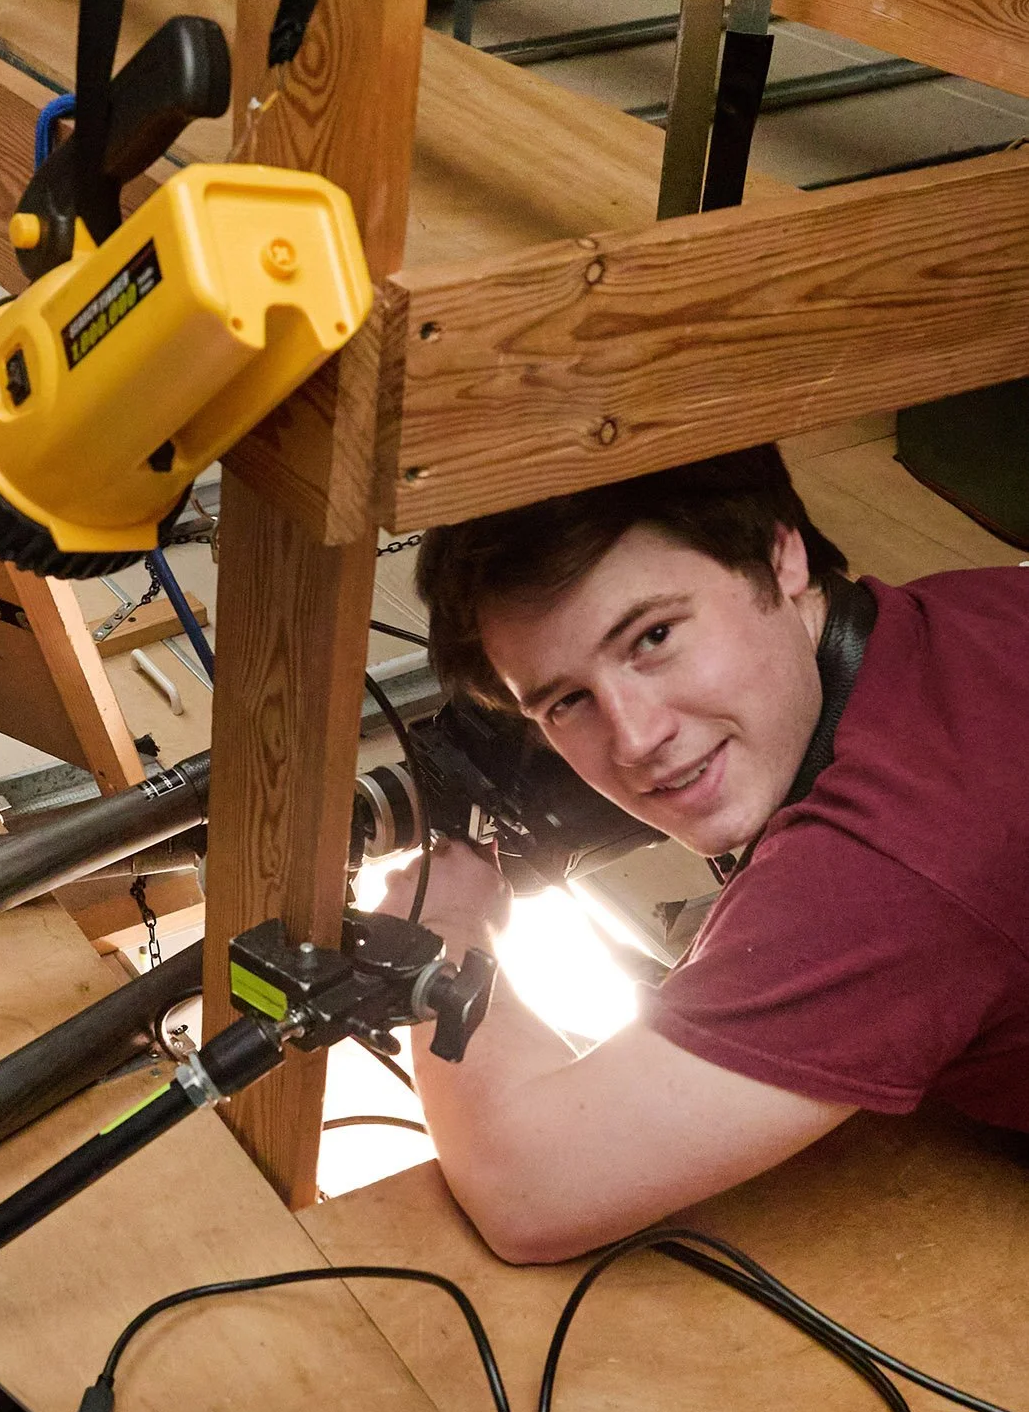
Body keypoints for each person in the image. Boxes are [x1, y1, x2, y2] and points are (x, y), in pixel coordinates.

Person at [382, 445, 1029, 1263]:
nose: (635, 738)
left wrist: (440, 926)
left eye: (652, 636)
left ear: (778, 552)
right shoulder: (964, 608)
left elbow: (527, 1191)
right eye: (566, 701)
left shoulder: (890, 862)